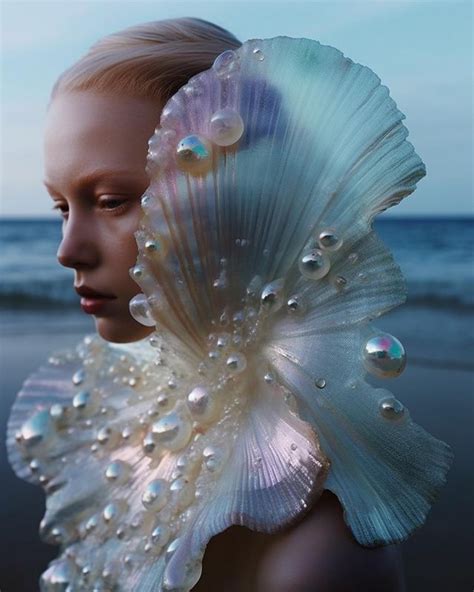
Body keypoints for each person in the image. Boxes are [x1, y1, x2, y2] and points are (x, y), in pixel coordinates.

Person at [9, 17, 450, 592]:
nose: (68, 251)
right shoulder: (128, 427)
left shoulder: (311, 564)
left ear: (244, 198)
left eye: (112, 200)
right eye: (63, 208)